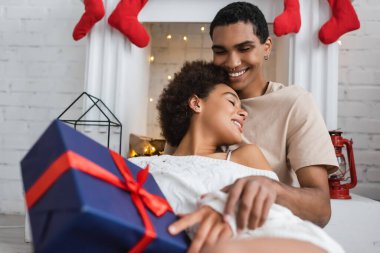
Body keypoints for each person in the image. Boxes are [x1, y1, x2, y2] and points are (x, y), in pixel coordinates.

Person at [129, 61, 344, 253]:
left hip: (278, 239)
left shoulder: (245, 155)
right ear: (196, 103)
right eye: (232, 102)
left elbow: (273, 212)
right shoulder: (142, 165)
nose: (244, 113)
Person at [166, 1, 339, 230]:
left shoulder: (294, 103)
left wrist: (271, 188)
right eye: (221, 51)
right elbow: (170, 170)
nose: (233, 62)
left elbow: (320, 209)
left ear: (266, 47)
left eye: (244, 48)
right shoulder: (199, 100)